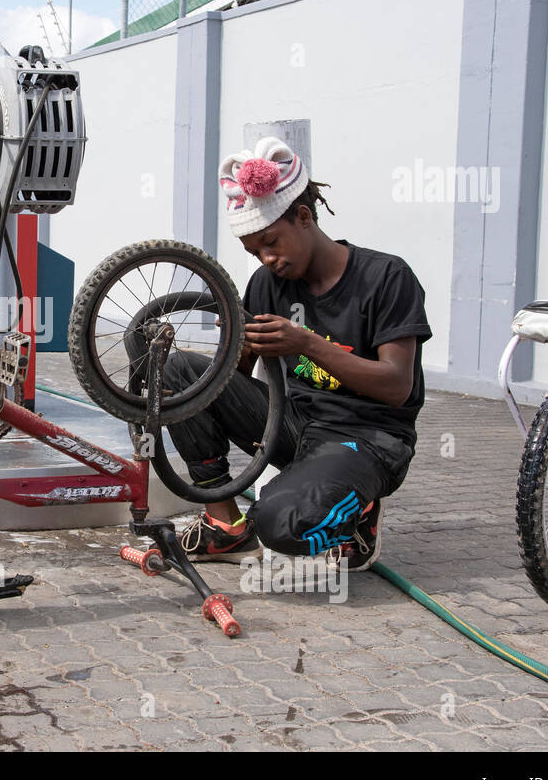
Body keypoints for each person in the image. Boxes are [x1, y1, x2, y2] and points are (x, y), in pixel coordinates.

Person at [162, 137, 432, 571]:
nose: (267, 259)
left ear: (303, 217)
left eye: (271, 243)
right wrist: (236, 348)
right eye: (254, 252)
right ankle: (226, 526)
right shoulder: (267, 284)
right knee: (179, 372)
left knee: (281, 524)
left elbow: (397, 387)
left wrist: (306, 343)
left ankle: (359, 513)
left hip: (367, 438)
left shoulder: (386, 277)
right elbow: (233, 382)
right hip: (294, 424)